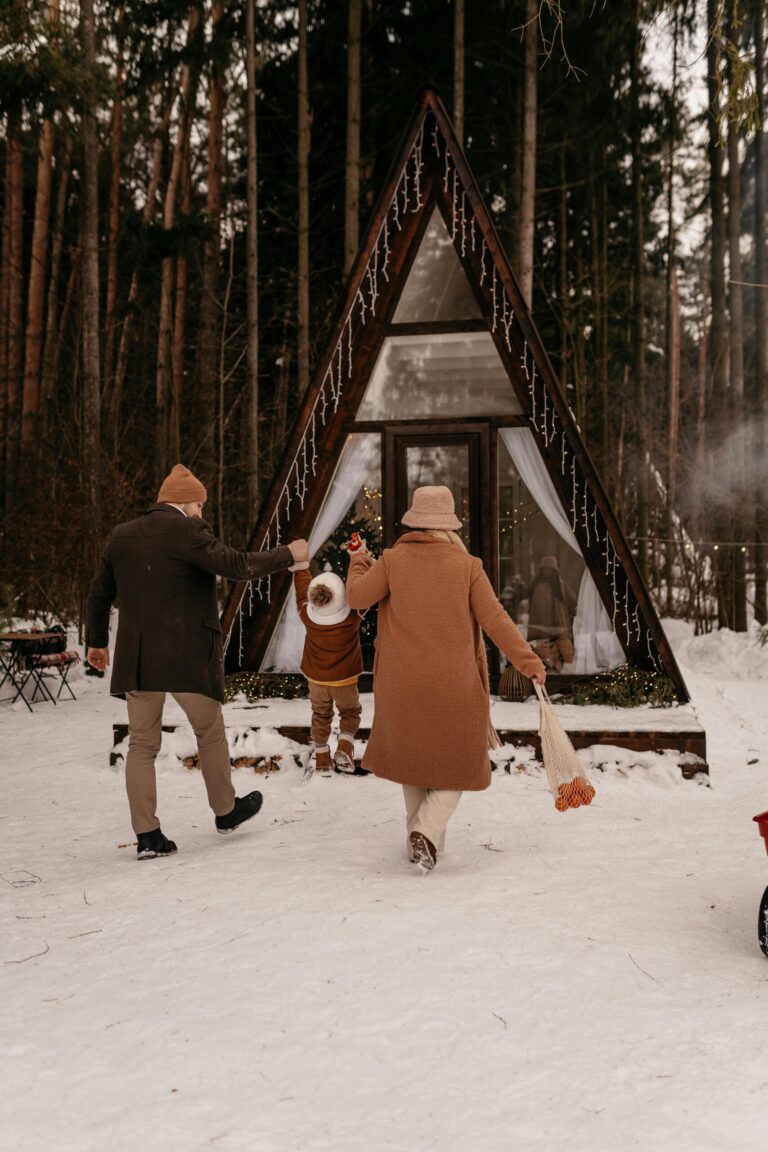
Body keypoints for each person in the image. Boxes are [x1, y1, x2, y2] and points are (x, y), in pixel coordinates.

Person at [86, 463, 309, 860]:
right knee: (210, 733)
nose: (202, 512)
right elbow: (237, 566)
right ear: (187, 502)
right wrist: (287, 555)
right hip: (186, 656)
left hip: (139, 659)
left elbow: (99, 595)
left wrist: (97, 643)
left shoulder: (121, 536)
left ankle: (148, 835)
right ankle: (226, 810)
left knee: (141, 745)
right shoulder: (189, 530)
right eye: (201, 505)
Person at [346, 485, 546, 872]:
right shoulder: (467, 565)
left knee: (412, 759)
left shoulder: (391, 560)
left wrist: (359, 561)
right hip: (453, 683)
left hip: (400, 683)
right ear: (449, 525)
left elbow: (356, 598)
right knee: (461, 759)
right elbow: (496, 620)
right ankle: (427, 830)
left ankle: (420, 842)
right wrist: (527, 660)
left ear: (414, 521)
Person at [294, 564, 364, 775]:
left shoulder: (306, 614)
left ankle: (322, 758)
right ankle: (344, 746)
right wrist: (357, 557)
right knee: (350, 712)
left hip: (316, 680)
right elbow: (362, 588)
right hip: (345, 680)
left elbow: (301, 587)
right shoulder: (353, 615)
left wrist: (300, 566)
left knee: (320, 714)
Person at [526, 555, 577, 672]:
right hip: (540, 629)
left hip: (559, 628)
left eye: (549, 569)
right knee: (542, 657)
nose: (546, 572)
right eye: (544, 569)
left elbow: (572, 601)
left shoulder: (561, 586)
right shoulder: (536, 586)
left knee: (562, 656)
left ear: (554, 571)